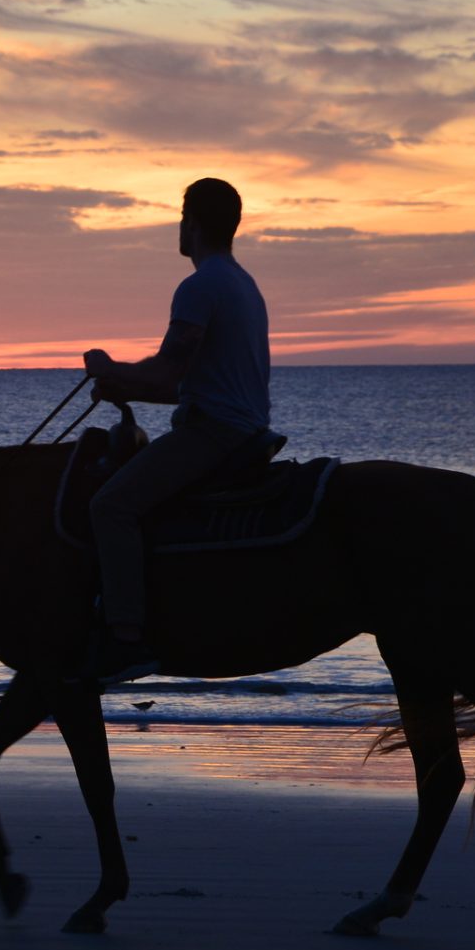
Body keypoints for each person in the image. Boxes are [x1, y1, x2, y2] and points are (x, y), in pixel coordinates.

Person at [78, 177, 270, 684]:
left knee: (111, 506)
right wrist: (124, 385)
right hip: (239, 426)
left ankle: (125, 639)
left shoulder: (199, 286)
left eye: (181, 217)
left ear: (193, 223)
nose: (178, 227)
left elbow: (166, 371)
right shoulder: (241, 283)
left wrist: (107, 367)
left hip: (215, 434)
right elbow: (180, 385)